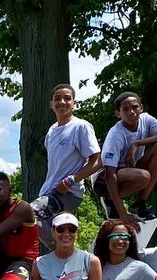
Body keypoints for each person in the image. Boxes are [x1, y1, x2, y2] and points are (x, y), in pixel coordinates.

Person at [93, 92, 157, 228]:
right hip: (105, 180)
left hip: (131, 169)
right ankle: (110, 200)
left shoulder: (147, 120)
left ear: (141, 108)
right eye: (125, 109)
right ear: (118, 114)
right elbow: (110, 175)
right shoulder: (115, 135)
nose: (131, 112)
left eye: (135, 107)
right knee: (143, 176)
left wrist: (138, 143)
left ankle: (140, 203)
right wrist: (122, 214)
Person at [35, 83, 102, 248]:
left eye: (67, 98)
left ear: (74, 103)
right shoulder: (51, 131)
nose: (62, 102)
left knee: (27, 215)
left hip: (67, 193)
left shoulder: (81, 126)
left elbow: (97, 160)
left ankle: (66, 255)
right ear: (51, 104)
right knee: (39, 229)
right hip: (48, 191)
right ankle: (65, 258)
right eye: (57, 99)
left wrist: (71, 180)